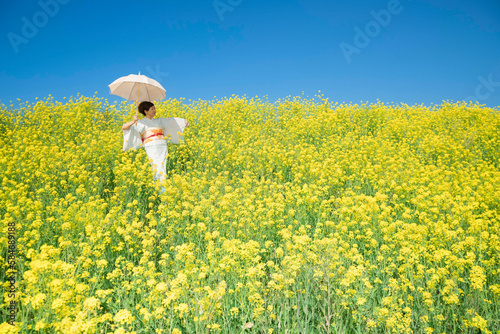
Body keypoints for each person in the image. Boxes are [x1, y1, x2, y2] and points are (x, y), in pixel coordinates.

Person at [122, 101, 189, 187]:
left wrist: (183, 122)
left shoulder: (159, 121)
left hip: (162, 144)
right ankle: (160, 188)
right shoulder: (141, 122)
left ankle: (161, 186)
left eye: (154, 108)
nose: (154, 110)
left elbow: (170, 121)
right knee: (156, 166)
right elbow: (124, 127)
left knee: (162, 165)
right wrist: (133, 121)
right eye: (152, 109)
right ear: (146, 111)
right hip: (151, 146)